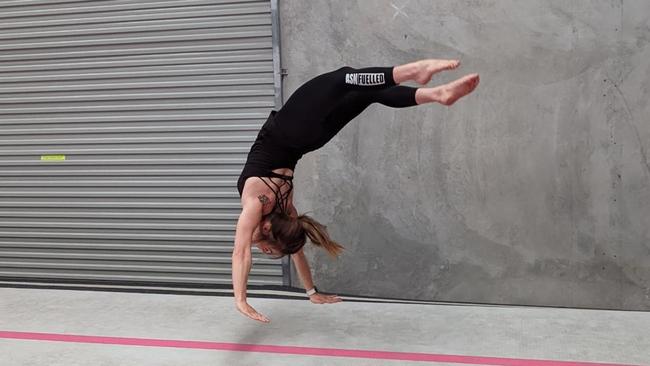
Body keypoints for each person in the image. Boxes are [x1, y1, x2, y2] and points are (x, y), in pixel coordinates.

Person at [232, 59, 480, 322]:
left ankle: (436, 94)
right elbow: (243, 252)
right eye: (262, 247)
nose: (253, 243)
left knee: (366, 91)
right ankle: (414, 73)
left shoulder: (284, 209)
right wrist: (241, 300)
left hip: (310, 139)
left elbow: (284, 251)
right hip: (290, 130)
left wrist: (311, 292)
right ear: (269, 229)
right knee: (343, 78)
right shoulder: (258, 203)